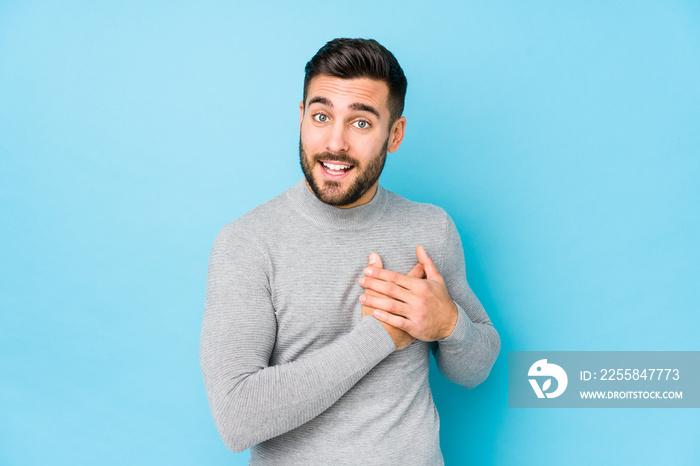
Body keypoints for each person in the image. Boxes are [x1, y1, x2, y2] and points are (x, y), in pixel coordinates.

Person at [200, 38, 500, 465]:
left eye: (360, 123)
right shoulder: (246, 243)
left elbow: (476, 368)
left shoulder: (430, 229)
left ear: (393, 134)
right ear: (301, 117)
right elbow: (237, 417)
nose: (335, 143)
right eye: (321, 116)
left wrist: (449, 324)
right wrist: (378, 337)